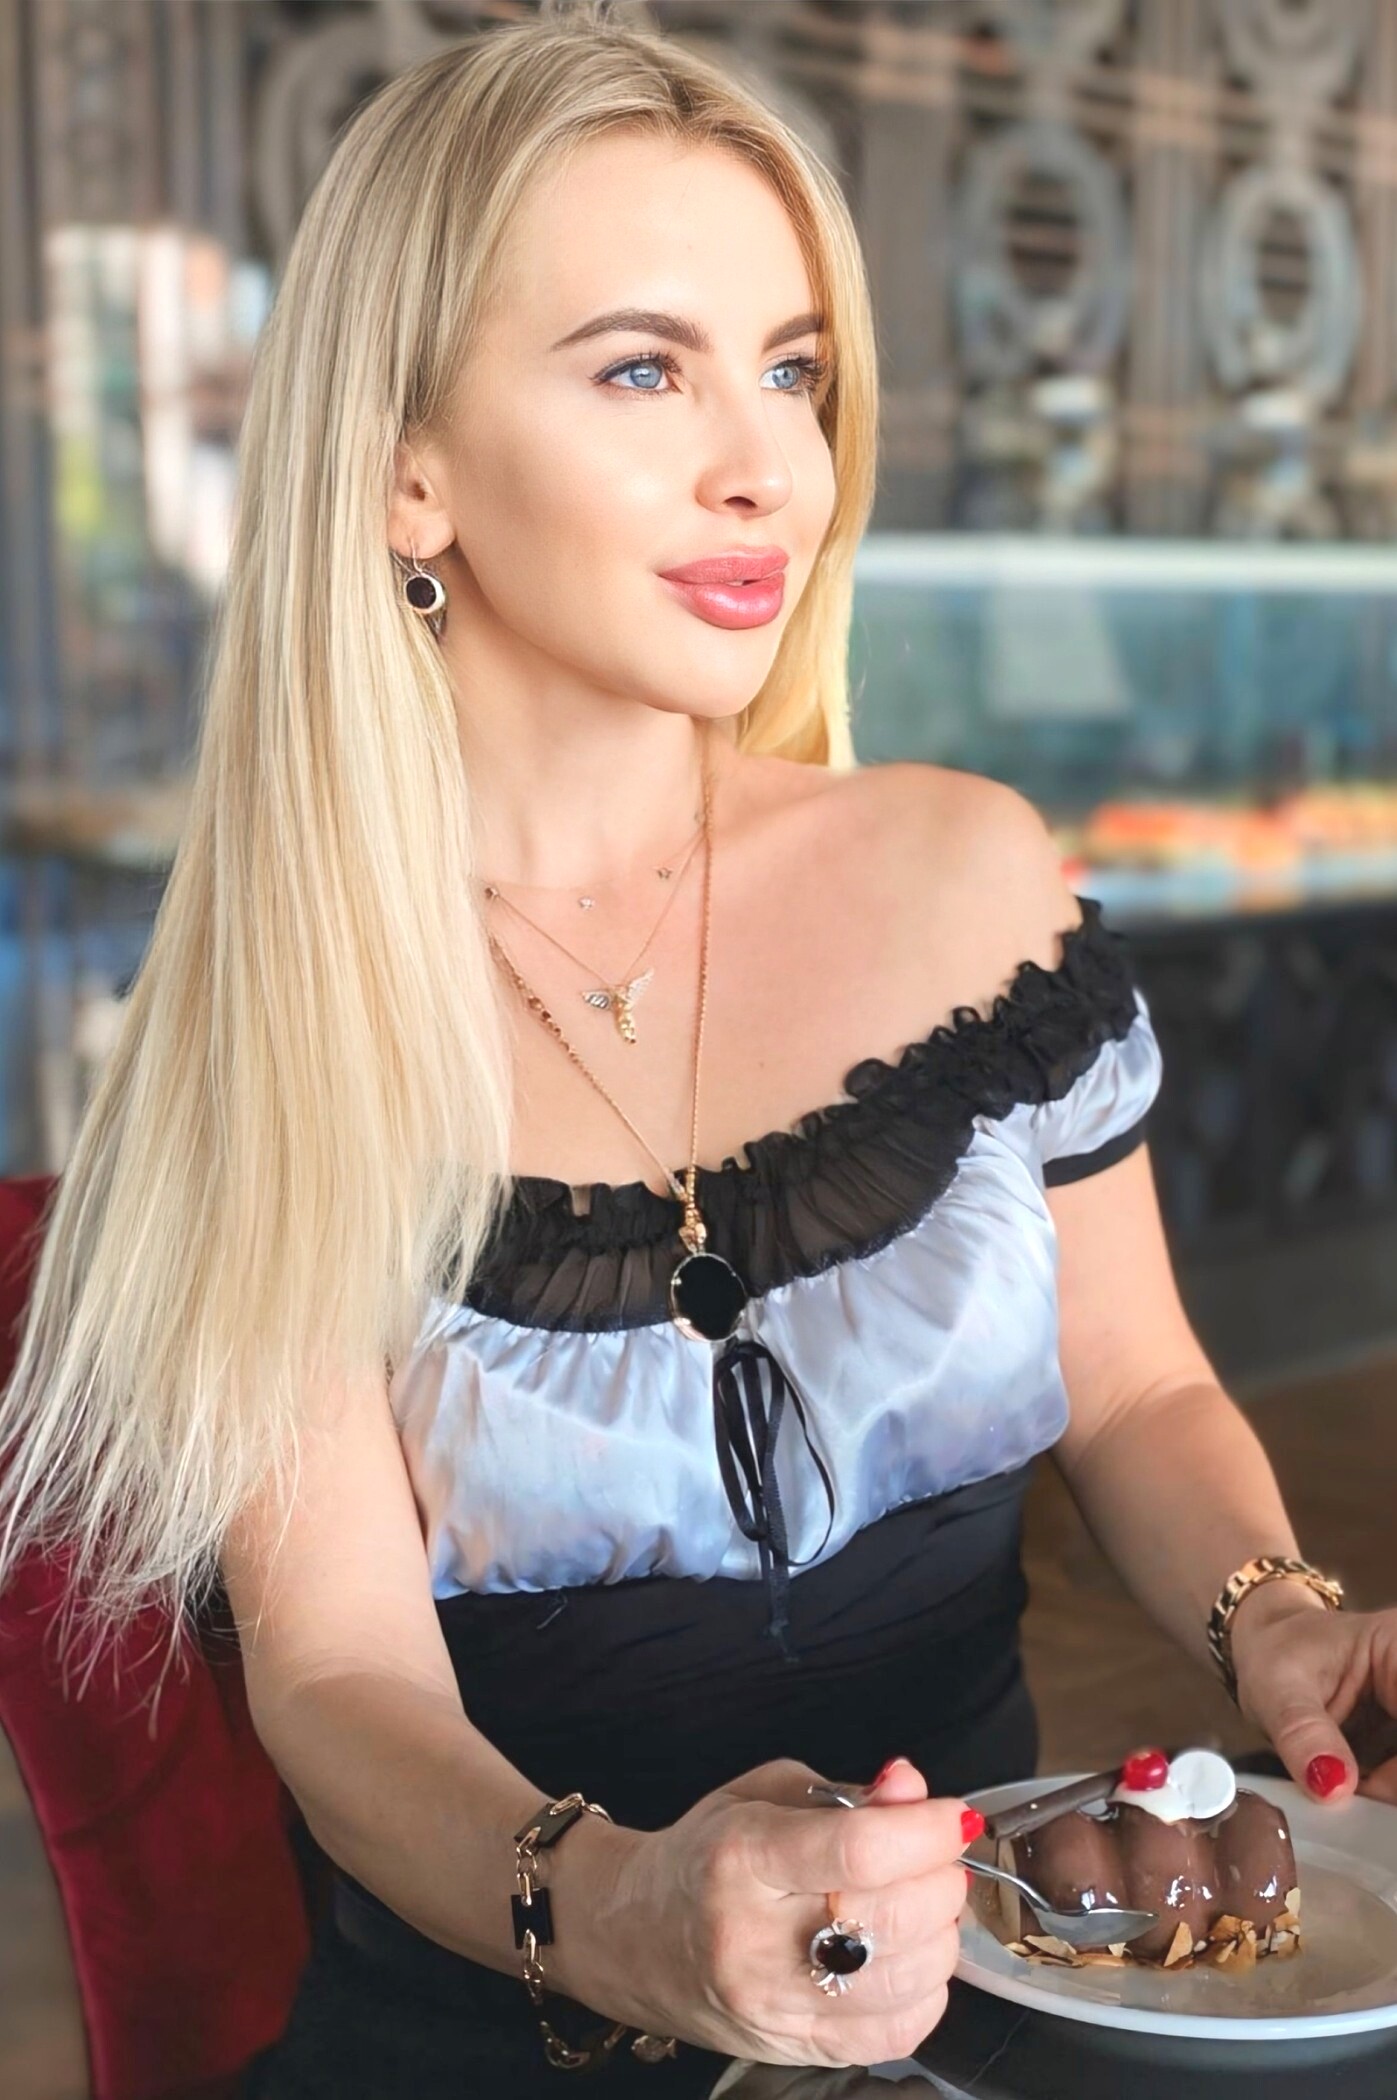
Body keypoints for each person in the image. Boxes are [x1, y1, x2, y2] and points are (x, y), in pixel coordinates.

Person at [2, 5, 1395, 2094]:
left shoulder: (971, 874)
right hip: (498, 2041)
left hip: (1006, 2010)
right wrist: (627, 1911)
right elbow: (344, 1683)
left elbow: (1139, 1386)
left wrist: (1272, 1616)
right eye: (644, 367)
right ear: (406, 470)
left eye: (794, 368)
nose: (771, 466)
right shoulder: (263, 1037)